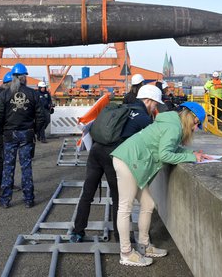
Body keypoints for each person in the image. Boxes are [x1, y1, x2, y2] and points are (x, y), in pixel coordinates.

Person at [111, 102, 210, 267]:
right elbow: (165, 155)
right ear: (191, 118)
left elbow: (170, 148)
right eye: (196, 124)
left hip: (133, 161)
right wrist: (192, 158)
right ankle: (126, 253)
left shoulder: (172, 123)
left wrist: (192, 153)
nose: (194, 129)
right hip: (128, 161)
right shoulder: (174, 128)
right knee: (125, 207)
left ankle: (144, 246)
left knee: (148, 203)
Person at [70, 85, 161, 244]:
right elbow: (154, 142)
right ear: (148, 101)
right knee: (118, 198)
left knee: (87, 194)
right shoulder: (143, 118)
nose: (155, 108)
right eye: (155, 104)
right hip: (113, 155)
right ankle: (120, 236)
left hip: (96, 151)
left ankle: (77, 233)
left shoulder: (122, 108)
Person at [0, 63, 46, 209]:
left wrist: (2, 130)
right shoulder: (33, 93)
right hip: (26, 135)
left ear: (13, 77)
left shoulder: (4, 94)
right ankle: (29, 199)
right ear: (24, 77)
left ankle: (5, 200)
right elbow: (42, 117)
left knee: (8, 167)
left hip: (9, 135)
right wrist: (34, 131)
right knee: (26, 166)